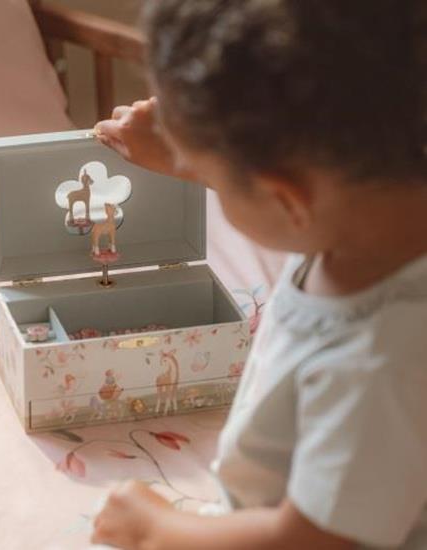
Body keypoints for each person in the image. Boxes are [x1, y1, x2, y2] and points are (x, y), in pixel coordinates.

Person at [91, 1, 427, 548]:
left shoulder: (380, 361)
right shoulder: (374, 188)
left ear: (285, 198)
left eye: (212, 179)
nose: (201, 180)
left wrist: (157, 529)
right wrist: (190, 152)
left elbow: (313, 540)